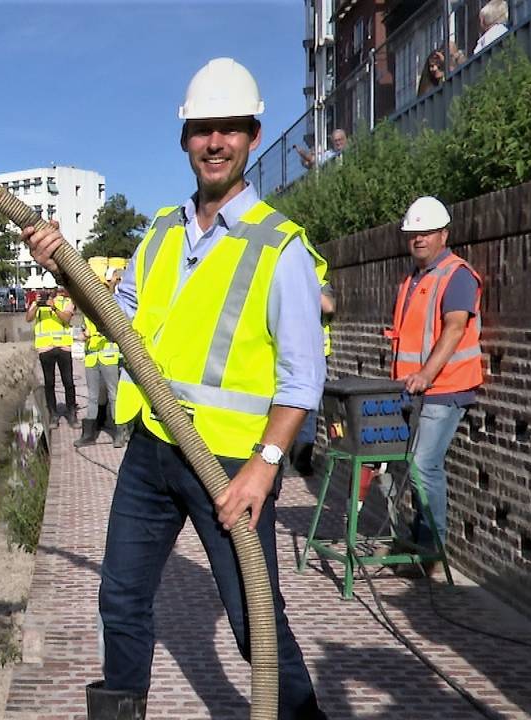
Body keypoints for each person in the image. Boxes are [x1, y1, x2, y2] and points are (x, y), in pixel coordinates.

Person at [24, 57, 328, 719]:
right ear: (184, 139)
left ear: (251, 135)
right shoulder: (160, 232)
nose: (214, 142)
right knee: (122, 599)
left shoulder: (281, 249)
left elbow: (303, 380)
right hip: (153, 449)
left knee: (255, 624)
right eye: (201, 130)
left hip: (229, 467)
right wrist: (63, 263)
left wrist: (263, 469)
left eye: (229, 129)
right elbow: (117, 317)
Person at [385, 196, 482, 563]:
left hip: (446, 388)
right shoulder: (413, 279)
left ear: (444, 234)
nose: (419, 239)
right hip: (414, 389)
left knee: (424, 465)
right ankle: (414, 538)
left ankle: (431, 549)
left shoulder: (456, 275)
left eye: (427, 232)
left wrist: (426, 374)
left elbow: (455, 329)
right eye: (413, 233)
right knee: (407, 465)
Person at [75, 267, 125, 448]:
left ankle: (120, 432)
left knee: (114, 395)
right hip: (91, 357)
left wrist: (90, 334)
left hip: (108, 356)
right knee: (93, 397)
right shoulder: (87, 311)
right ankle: (88, 434)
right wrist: (84, 335)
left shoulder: (112, 306)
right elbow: (85, 330)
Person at [291, 283, 336, 475]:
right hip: (289, 351)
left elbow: (329, 307)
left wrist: (305, 282)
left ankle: (300, 462)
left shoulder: (319, 281)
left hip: (314, 355)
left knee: (309, 409)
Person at [25, 276, 78, 427]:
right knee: (49, 383)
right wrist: (36, 305)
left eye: (50, 289)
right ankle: (53, 415)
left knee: (68, 382)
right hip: (45, 348)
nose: (48, 292)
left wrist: (53, 307)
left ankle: (71, 413)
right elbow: (28, 318)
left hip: (63, 347)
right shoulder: (38, 303)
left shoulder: (65, 301)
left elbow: (67, 319)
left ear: (56, 289)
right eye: (46, 289)